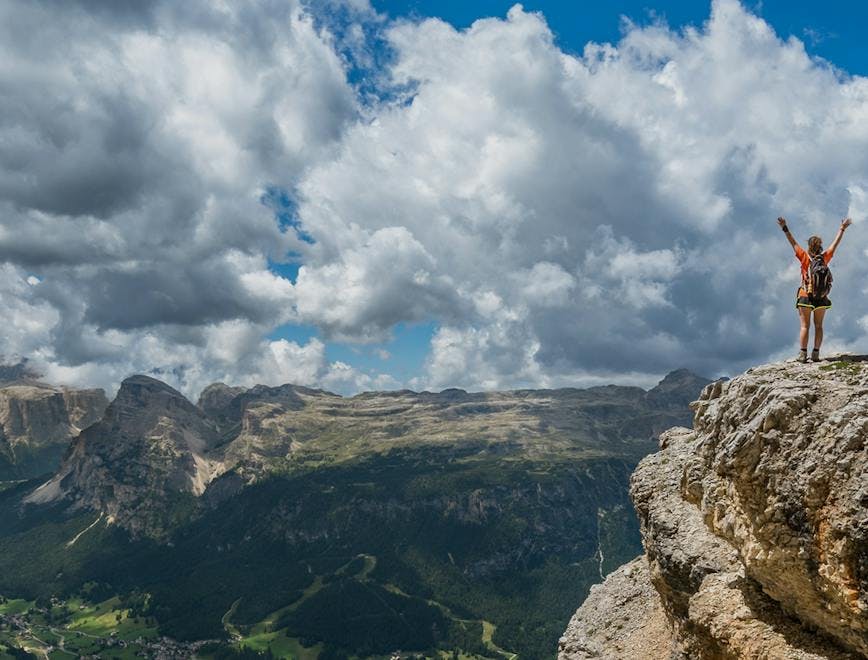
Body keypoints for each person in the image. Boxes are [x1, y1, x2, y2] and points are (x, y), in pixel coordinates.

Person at [777, 216, 852, 362]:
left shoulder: (804, 256)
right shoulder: (825, 258)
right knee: (819, 326)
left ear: (809, 247)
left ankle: (803, 354)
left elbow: (792, 242)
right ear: (820, 247)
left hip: (805, 295)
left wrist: (784, 228)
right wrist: (842, 229)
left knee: (805, 326)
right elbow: (835, 244)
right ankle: (816, 353)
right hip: (821, 297)